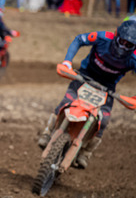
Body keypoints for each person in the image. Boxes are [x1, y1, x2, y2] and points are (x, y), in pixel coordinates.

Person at [37, 20, 136, 168]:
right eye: (122, 41)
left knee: (104, 120)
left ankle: (85, 152)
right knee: (66, 102)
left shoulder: (133, 58)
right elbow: (79, 39)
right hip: (84, 76)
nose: (123, 46)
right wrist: (67, 62)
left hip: (107, 87)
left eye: (129, 45)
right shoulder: (103, 37)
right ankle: (47, 132)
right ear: (116, 35)